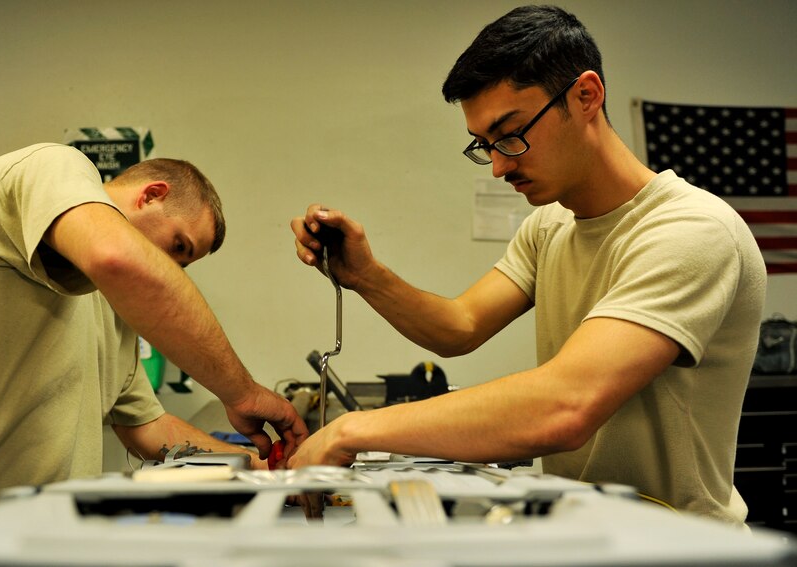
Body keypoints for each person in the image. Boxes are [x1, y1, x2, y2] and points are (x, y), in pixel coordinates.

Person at [289, 5, 766, 525]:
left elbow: (567, 405)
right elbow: (459, 326)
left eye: (510, 133)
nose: (498, 166)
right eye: (484, 145)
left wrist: (352, 429)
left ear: (586, 96)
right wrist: (364, 276)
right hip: (579, 534)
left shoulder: (690, 232)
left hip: (679, 545)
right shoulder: (551, 226)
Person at [0, 143, 308, 521]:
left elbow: (147, 427)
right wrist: (244, 393)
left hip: (42, 540)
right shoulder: (49, 165)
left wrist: (262, 471)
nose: (169, 268)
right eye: (177, 246)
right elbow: (118, 258)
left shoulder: (111, 313)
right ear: (151, 195)